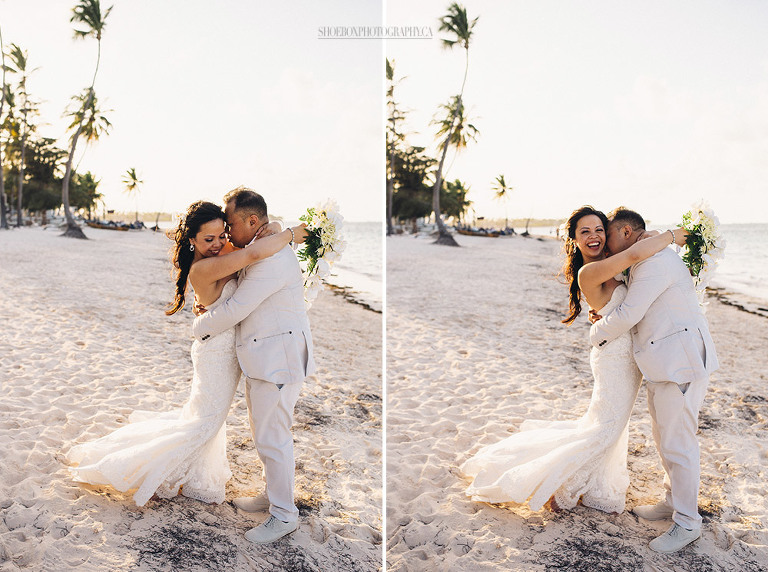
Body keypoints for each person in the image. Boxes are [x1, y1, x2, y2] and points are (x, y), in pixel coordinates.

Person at [67, 200, 307, 507]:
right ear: (192, 240)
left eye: (222, 235)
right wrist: (290, 234)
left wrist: (274, 227)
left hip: (228, 348)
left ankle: (191, 472)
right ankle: (151, 470)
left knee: (204, 419)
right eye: (209, 239)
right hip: (216, 353)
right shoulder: (204, 267)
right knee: (205, 422)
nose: (218, 243)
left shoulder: (222, 252)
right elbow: (253, 254)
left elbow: (256, 241)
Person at [460, 205, 688, 515]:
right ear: (575, 240)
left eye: (599, 230)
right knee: (606, 428)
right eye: (585, 232)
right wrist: (674, 235)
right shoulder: (589, 272)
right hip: (614, 358)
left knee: (605, 426)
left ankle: (578, 481)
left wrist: (653, 235)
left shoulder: (611, 262)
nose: (594, 236)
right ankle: (562, 489)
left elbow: (638, 248)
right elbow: (636, 253)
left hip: (627, 356)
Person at [589, 207, 718, 553]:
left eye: (608, 235)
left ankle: (688, 523)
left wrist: (595, 333)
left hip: (681, 362)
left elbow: (630, 313)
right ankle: (673, 501)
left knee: (679, 444)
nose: (605, 243)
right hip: (663, 362)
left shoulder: (654, 262)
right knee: (665, 440)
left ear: (627, 233)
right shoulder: (646, 257)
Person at [192, 187, 315, 545]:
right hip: (266, 357)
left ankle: (284, 515)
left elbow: (235, 309)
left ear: (251, 221)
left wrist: (198, 327)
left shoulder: (271, 258)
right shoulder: (265, 241)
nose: (228, 233)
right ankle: (272, 495)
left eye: (230, 225)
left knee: (274, 437)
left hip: (278, 360)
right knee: (265, 434)